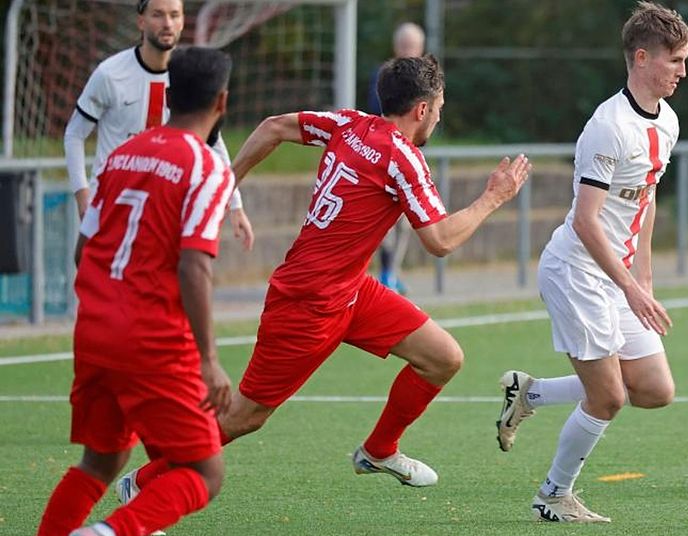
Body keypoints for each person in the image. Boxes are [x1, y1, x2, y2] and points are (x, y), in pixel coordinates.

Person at [114, 54, 530, 501]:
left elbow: (274, 125)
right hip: (307, 302)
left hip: (349, 290)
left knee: (443, 357)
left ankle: (378, 450)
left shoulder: (349, 125)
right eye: (440, 108)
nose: (439, 118)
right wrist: (493, 197)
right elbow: (440, 240)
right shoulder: (403, 159)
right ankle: (139, 484)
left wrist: (227, 181)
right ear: (422, 110)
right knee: (244, 417)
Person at [495, 1, 688, 523]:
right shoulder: (607, 126)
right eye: (675, 60)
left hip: (619, 277)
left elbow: (643, 201)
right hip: (579, 272)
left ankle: (530, 393)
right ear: (642, 57)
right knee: (608, 397)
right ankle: (553, 496)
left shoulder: (667, 121)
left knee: (654, 389)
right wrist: (629, 286)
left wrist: (643, 279)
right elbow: (586, 220)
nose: (682, 71)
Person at [35, 46, 236, 536]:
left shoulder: (124, 154)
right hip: (151, 339)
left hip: (95, 330)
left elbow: (86, 249)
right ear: (222, 103)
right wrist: (208, 358)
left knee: (100, 460)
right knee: (203, 472)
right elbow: (194, 265)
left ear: (168, 96)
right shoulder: (207, 168)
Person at [64, 0, 254, 250]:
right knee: (101, 281)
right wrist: (82, 195)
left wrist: (235, 205)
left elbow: (213, 141)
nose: (167, 24)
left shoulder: (188, 76)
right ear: (141, 21)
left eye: (174, 15)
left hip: (164, 210)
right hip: (110, 207)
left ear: (183, 20)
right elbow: (74, 134)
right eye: (158, 15)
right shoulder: (110, 74)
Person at [366, 22, 427, 292]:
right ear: (396, 47)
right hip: (385, 159)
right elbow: (376, 112)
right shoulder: (384, 76)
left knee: (407, 223)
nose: (408, 50)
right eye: (404, 46)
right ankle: (384, 274)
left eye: (412, 46)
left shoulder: (428, 79)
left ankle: (392, 272)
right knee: (384, 221)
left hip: (411, 161)